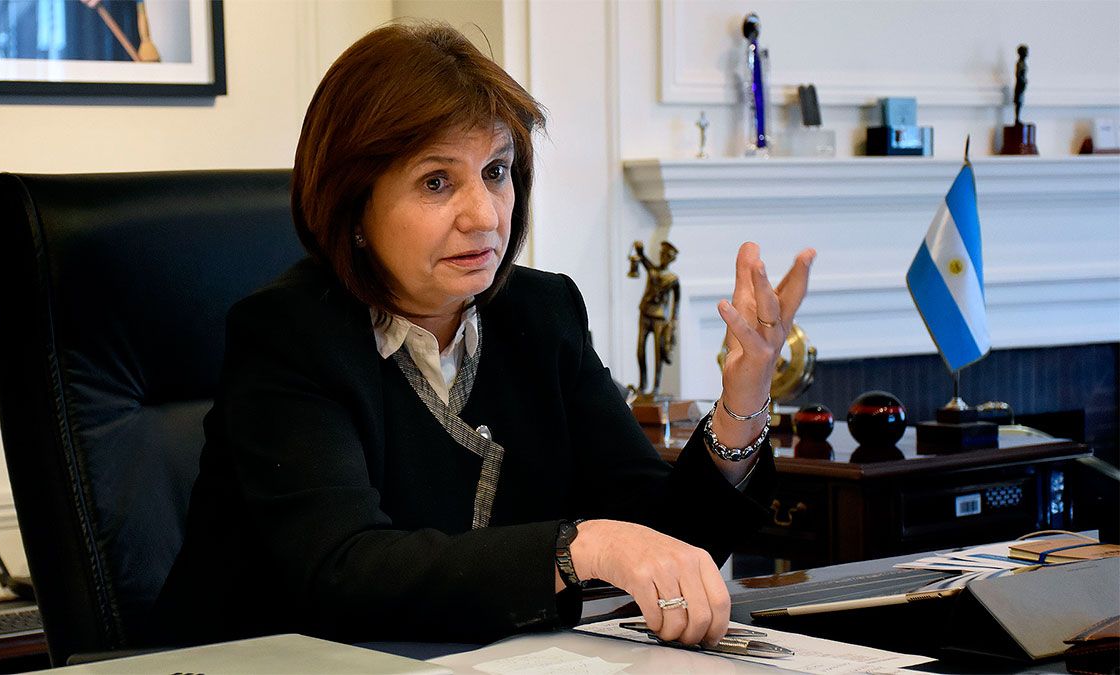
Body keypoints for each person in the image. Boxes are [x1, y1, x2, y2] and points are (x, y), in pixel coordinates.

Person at [156, 21, 816, 650]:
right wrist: (578, 547)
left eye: (496, 171)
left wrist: (742, 402)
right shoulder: (287, 335)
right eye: (436, 181)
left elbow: (661, 538)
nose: (483, 215)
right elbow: (342, 570)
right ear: (353, 206)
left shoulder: (542, 313)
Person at [629, 240, 681, 398]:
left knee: (658, 353)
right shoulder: (653, 270)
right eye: (662, 254)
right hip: (645, 313)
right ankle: (642, 385)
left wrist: (673, 320)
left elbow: (677, 301)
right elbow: (643, 258)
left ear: (671, 259)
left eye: (667, 255)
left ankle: (656, 387)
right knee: (640, 350)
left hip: (659, 317)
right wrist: (639, 250)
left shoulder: (672, 279)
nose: (663, 257)